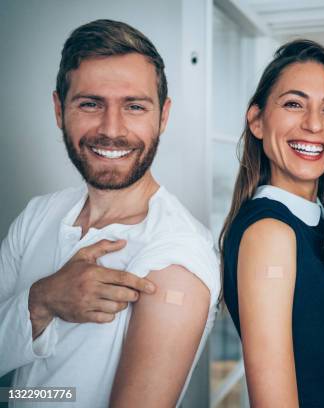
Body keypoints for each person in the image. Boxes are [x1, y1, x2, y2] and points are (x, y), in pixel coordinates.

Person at [0, 19, 219, 407]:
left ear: (163, 116)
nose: (111, 129)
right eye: (90, 103)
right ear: (58, 109)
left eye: (134, 106)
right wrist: (42, 301)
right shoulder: (37, 215)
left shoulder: (177, 254)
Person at [220, 40, 324, 407]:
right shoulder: (270, 233)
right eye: (294, 104)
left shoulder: (323, 218)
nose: (314, 124)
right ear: (257, 121)